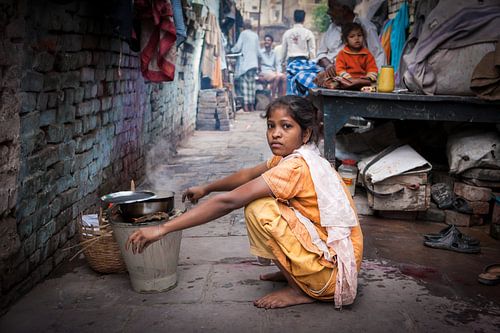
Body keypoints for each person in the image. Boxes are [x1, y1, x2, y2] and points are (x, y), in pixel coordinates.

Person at [126, 96, 364, 309]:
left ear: (306, 134)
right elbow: (247, 174)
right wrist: (207, 188)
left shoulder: (294, 166)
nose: (275, 133)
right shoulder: (300, 155)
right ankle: (297, 270)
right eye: (271, 126)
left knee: (259, 209)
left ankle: (299, 290)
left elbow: (229, 202)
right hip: (338, 265)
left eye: (286, 126)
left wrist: (162, 228)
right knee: (268, 202)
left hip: (332, 280)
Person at [281, 10, 318, 95]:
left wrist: (282, 63)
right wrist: (312, 64)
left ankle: (290, 106)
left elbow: (283, 50)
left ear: (294, 18)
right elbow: (312, 50)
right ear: (304, 19)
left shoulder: (287, 33)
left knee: (290, 87)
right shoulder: (308, 33)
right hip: (304, 63)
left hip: (291, 62)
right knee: (302, 86)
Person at [333, 22, 378, 89]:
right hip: (347, 81)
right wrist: (349, 79)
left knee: (375, 84)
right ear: (346, 40)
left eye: (359, 35)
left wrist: (368, 77)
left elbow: (372, 68)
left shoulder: (367, 54)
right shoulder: (342, 54)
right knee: (335, 82)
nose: (356, 38)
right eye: (352, 36)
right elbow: (340, 69)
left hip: (363, 81)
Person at [231, 20, 260, 112]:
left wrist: (231, 50)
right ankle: (251, 106)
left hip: (246, 63)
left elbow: (238, 47)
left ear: (244, 26)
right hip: (253, 63)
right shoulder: (255, 35)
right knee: (251, 85)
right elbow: (258, 51)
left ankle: (246, 106)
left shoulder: (243, 34)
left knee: (244, 85)